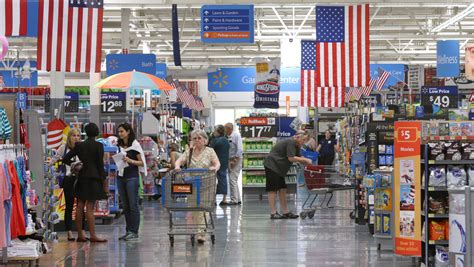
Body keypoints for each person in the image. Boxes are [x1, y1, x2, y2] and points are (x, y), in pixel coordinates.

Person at [63, 123, 107, 242]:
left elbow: (65, 159)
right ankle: (93, 235)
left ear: (85, 133)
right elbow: (100, 164)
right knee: (90, 207)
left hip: (81, 177)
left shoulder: (79, 145)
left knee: (80, 205)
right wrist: (104, 179)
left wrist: (76, 166)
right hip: (94, 178)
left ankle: (80, 235)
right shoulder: (99, 145)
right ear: (97, 132)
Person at [174, 129, 220, 244]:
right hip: (192, 183)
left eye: (200, 138)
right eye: (194, 138)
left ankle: (201, 232)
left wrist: (214, 168)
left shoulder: (210, 151)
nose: (197, 140)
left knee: (204, 207)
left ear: (205, 140)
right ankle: (198, 229)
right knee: (194, 207)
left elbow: (217, 163)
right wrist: (177, 166)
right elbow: (180, 160)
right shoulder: (189, 151)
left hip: (207, 182)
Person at [264, 130, 312, 219]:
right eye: (303, 140)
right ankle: (273, 212)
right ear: (297, 137)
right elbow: (291, 158)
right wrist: (305, 160)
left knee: (282, 189)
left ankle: (285, 212)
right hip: (272, 165)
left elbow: (299, 156)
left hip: (279, 169)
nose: (304, 142)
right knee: (272, 189)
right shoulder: (291, 142)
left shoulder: (297, 145)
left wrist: (305, 160)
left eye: (305, 140)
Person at [51, 128, 86, 241]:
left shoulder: (82, 148)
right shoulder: (63, 148)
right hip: (68, 179)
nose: (76, 137)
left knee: (81, 206)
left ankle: (82, 231)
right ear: (69, 137)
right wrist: (49, 163)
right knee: (69, 206)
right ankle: (69, 232)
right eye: (74, 135)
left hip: (81, 179)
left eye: (78, 135)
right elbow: (55, 158)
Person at [116, 123, 146, 242]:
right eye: (119, 132)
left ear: (128, 132)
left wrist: (130, 160)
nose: (120, 134)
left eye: (122, 131)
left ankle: (134, 231)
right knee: (126, 206)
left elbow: (142, 162)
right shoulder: (119, 144)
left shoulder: (135, 145)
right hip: (121, 177)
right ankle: (128, 230)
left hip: (132, 178)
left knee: (133, 205)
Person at [210, 125, 230, 205]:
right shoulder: (226, 140)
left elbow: (210, 148)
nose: (214, 132)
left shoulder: (216, 140)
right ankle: (224, 198)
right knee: (223, 179)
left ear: (219, 132)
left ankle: (213, 199)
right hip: (224, 162)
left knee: (213, 181)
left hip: (215, 163)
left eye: (215, 131)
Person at [225, 122, 243, 205]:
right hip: (230, 159)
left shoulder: (236, 135)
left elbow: (240, 149)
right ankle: (238, 199)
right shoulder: (228, 136)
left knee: (232, 179)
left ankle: (234, 200)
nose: (224, 130)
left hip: (236, 159)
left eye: (225, 128)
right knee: (233, 179)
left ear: (229, 128)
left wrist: (234, 160)